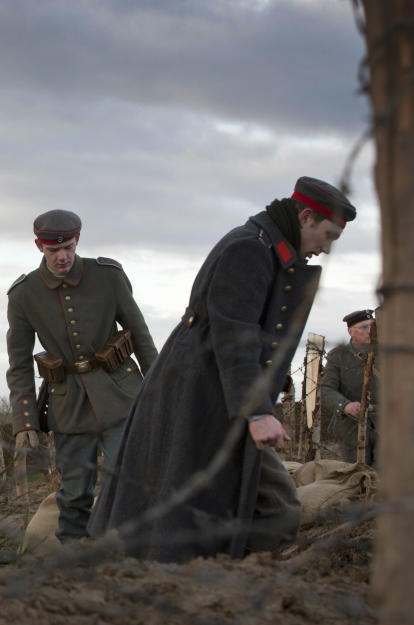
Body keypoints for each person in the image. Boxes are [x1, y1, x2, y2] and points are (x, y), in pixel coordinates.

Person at [88, 176, 356, 562]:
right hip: (201, 394)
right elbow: (234, 335)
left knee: (239, 500)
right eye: (326, 235)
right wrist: (259, 412)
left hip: (219, 391)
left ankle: (224, 577)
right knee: (257, 504)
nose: (326, 248)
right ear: (306, 217)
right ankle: (223, 582)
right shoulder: (249, 248)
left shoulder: (265, 245)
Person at [6, 209, 158, 542]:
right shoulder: (23, 294)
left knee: (133, 481)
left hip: (120, 396)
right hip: (68, 406)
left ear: (78, 240)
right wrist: (25, 420)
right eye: (53, 250)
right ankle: (74, 569)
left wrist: (160, 393)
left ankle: (141, 559)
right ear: (38, 247)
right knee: (74, 494)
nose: (62, 257)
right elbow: (18, 364)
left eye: (69, 248)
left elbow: (141, 335)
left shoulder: (108, 276)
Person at [320, 309, 378, 466]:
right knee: (357, 478)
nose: (370, 331)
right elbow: (325, 390)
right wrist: (346, 406)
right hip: (352, 429)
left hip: (388, 428)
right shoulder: (338, 356)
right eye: (364, 327)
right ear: (350, 331)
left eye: (373, 326)